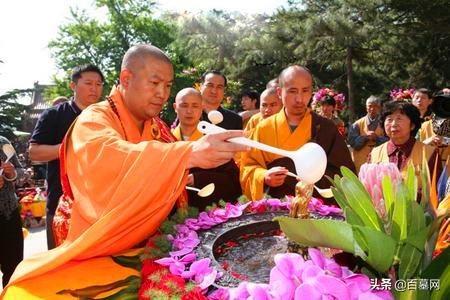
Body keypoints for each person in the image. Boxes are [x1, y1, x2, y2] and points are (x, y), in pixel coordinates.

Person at [2, 44, 246, 296]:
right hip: (97, 241)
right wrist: (188, 154)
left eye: (168, 85)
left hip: (145, 244)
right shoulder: (95, 118)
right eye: (154, 83)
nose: (162, 93)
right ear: (126, 79)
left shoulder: (156, 127)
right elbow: (111, 157)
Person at [240, 65, 355, 202]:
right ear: (279, 92)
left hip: (315, 212)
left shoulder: (325, 128)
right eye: (293, 91)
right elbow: (247, 168)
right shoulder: (264, 128)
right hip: (274, 212)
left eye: (305, 91)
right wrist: (263, 176)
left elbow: (343, 174)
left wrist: (315, 178)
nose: (300, 99)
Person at [28, 64, 104, 250]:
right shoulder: (53, 115)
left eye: (99, 84)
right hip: (62, 204)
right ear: (73, 85)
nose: (94, 88)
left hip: (100, 205)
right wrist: (69, 147)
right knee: (61, 267)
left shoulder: (106, 116)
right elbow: (34, 153)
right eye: (88, 83)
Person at [172, 88, 242, 211]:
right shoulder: (165, 140)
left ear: (202, 107)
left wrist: (199, 179)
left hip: (205, 213)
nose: (189, 111)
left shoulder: (213, 141)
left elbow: (232, 181)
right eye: (184, 105)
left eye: (195, 106)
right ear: (175, 107)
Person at [368, 101, 441, 183]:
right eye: (389, 119)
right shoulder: (375, 154)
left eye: (399, 119)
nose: (393, 124)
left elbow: (437, 189)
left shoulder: (429, 153)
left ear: (412, 125)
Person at [0, 136, 23, 287]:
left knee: (14, 269)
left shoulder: (2, 142)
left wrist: (11, 174)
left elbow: (20, 171)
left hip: (8, 214)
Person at [348, 96, 388, 173]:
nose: (372, 109)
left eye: (375, 106)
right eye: (370, 106)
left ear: (379, 108)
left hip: (380, 160)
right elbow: (353, 143)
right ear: (366, 107)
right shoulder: (357, 124)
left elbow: (390, 141)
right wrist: (364, 137)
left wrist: (377, 138)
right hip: (360, 162)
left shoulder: (385, 123)